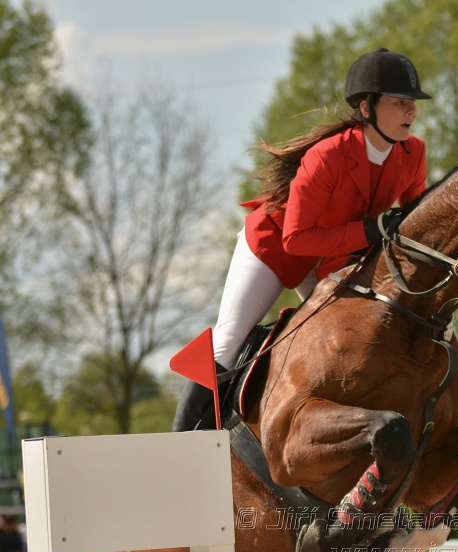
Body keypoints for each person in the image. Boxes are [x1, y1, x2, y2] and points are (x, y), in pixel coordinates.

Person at [172, 48, 431, 431]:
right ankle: (177, 441)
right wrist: (369, 231)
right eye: (398, 103)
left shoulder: (413, 152)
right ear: (365, 108)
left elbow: (418, 225)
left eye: (411, 103)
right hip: (275, 246)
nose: (410, 112)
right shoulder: (327, 156)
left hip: (332, 257)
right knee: (229, 339)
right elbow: (296, 239)